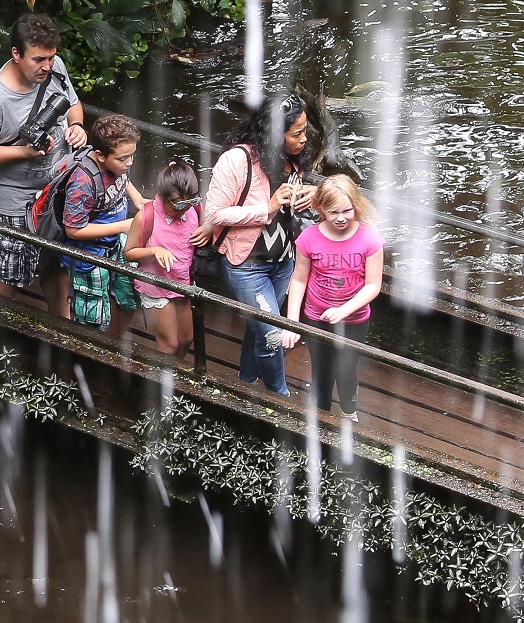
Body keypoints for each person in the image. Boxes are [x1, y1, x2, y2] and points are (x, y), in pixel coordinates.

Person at [0, 13, 86, 301]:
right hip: (17, 201)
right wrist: (25, 152)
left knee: (57, 262)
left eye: (51, 58)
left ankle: (59, 331)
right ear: (16, 53)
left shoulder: (55, 68)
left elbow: (73, 105)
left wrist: (76, 126)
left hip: (56, 191)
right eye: (38, 59)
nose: (47, 66)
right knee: (10, 270)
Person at [204, 95, 325, 397]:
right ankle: (279, 398)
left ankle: (246, 383)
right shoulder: (236, 160)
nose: (304, 138)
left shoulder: (293, 158)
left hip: (284, 261)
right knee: (271, 335)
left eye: (304, 130)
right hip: (247, 266)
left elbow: (291, 206)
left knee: (258, 328)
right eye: (297, 133)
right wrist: (267, 207)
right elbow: (215, 214)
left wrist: (311, 194)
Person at [280, 175, 385, 419]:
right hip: (317, 318)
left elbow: (373, 285)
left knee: (347, 370)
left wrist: (344, 309)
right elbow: (298, 279)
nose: (340, 218)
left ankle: (350, 414)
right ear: (320, 209)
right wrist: (292, 322)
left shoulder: (370, 238)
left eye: (347, 211)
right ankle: (321, 419)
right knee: (322, 371)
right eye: (333, 212)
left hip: (354, 320)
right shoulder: (308, 238)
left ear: (356, 206)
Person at [54, 113, 144, 329]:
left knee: (129, 297)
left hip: (115, 243)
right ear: (100, 156)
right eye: (123, 159)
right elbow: (73, 230)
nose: (129, 163)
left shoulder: (116, 165)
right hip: (89, 257)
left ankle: (115, 345)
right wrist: (123, 226)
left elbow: (122, 177)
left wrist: (137, 198)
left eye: (132, 155)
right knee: (92, 318)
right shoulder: (83, 183)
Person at [127, 158, 205, 357]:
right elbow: (129, 252)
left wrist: (208, 230)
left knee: (187, 338)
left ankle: (173, 374)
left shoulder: (194, 209)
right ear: (162, 197)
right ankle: (163, 384)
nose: (184, 209)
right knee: (169, 344)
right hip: (156, 285)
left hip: (184, 282)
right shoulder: (146, 216)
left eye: (191, 202)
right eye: (178, 206)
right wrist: (155, 250)